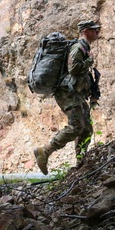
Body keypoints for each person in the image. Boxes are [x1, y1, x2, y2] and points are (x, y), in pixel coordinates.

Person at [33, 20, 101, 175]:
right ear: (85, 31)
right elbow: (74, 69)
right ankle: (45, 151)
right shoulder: (79, 47)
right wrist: (90, 60)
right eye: (94, 29)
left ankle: (81, 163)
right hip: (67, 93)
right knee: (77, 126)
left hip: (76, 93)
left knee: (86, 129)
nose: (97, 32)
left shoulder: (84, 47)